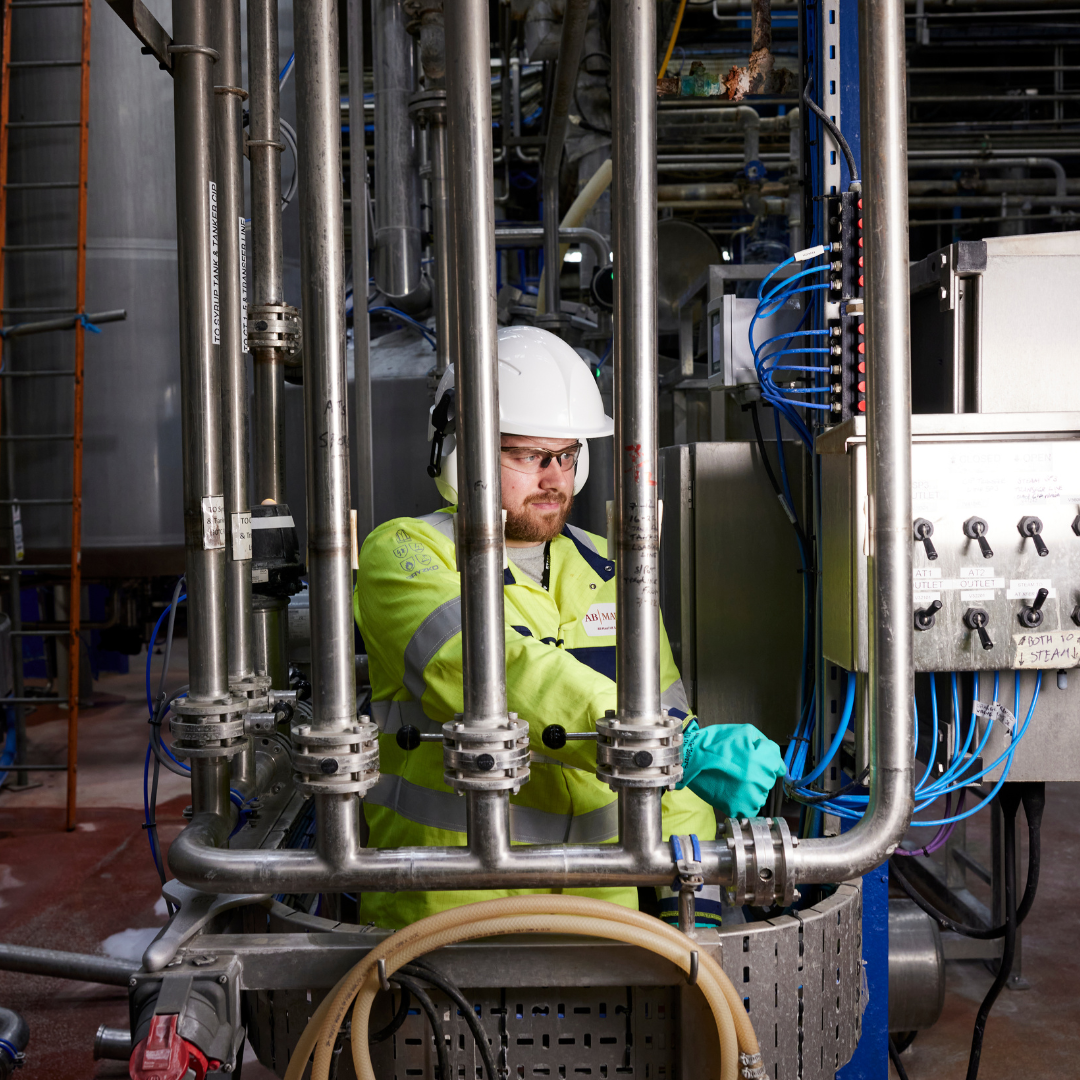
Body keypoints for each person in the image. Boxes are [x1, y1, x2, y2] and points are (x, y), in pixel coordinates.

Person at [354, 326, 785, 929]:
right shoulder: (404, 553)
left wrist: (694, 908)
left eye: (567, 455)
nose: (554, 478)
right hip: (453, 914)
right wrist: (668, 745)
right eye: (528, 456)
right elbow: (491, 671)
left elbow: (672, 743)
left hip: (602, 913)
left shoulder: (609, 566)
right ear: (460, 452)